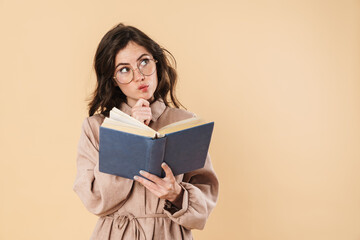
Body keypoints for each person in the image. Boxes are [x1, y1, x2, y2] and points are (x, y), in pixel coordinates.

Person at [73, 23, 219, 240]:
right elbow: (93, 198)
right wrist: (130, 130)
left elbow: (205, 201)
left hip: (168, 234)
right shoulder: (96, 127)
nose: (140, 76)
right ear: (113, 80)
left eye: (144, 62)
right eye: (124, 69)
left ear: (157, 63)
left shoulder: (185, 123)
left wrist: (177, 194)